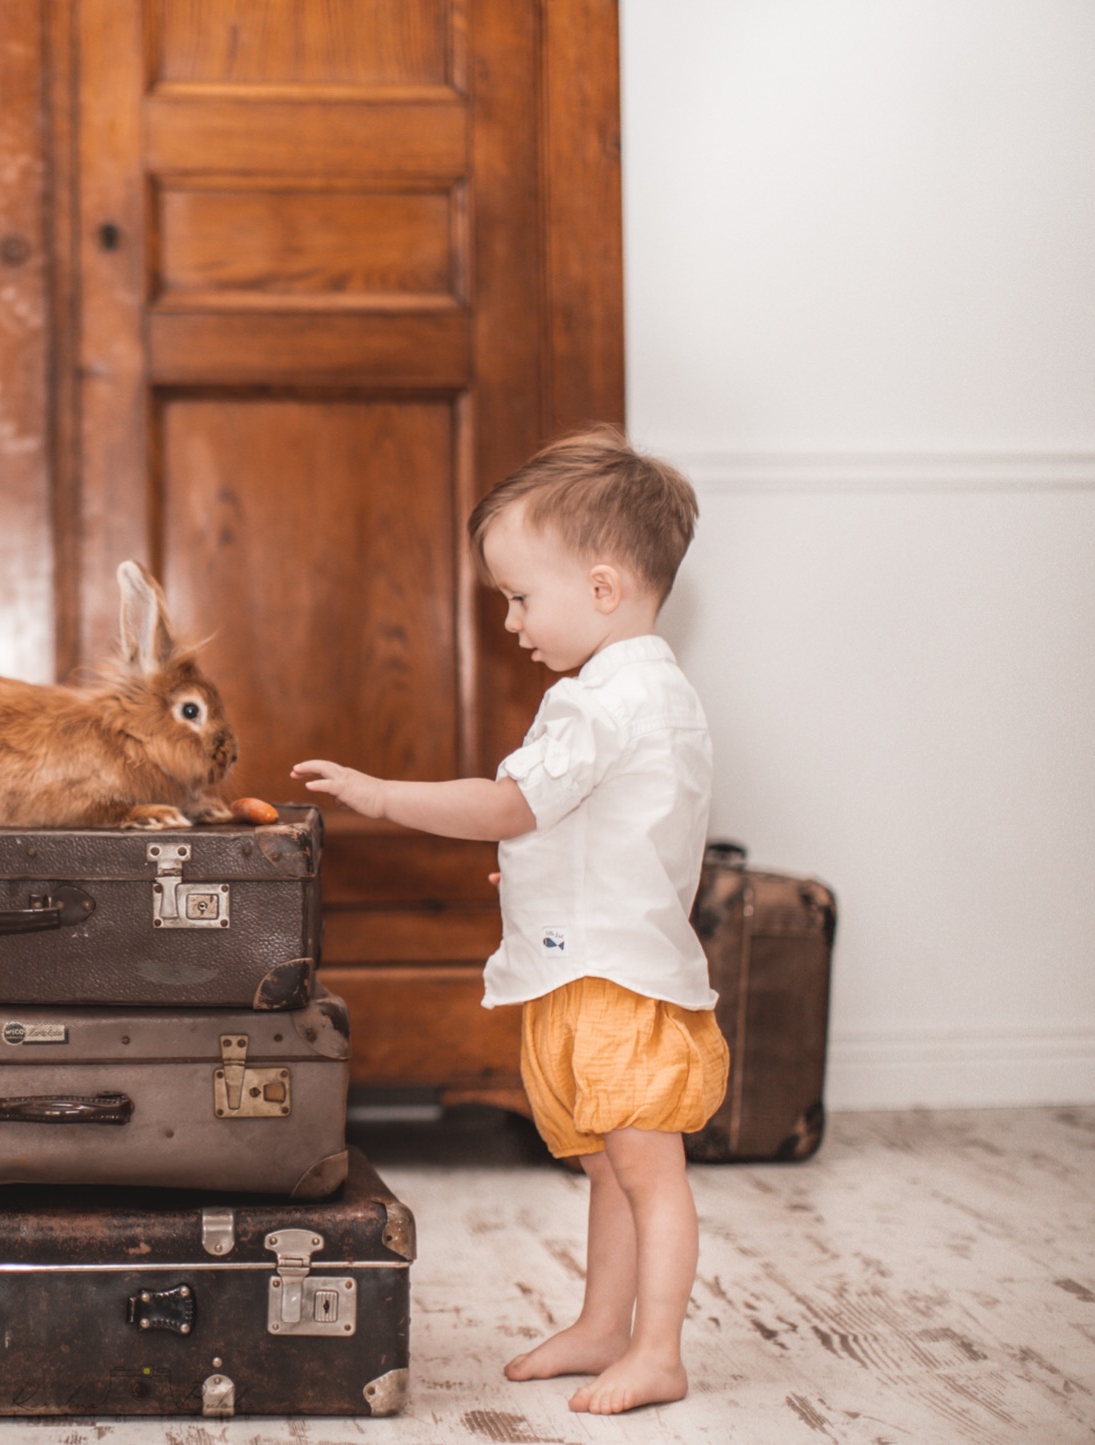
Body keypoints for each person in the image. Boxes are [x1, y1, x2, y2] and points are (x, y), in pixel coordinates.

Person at [292, 426, 725, 1416]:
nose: (510, 619)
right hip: (597, 965)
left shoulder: (595, 704)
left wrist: (379, 792)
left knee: (647, 1173)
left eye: (520, 595)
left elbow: (503, 805)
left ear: (605, 586)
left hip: (613, 985)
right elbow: (617, 830)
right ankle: (599, 1322)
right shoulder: (654, 691)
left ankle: (654, 1346)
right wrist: (537, 877)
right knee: (610, 1168)